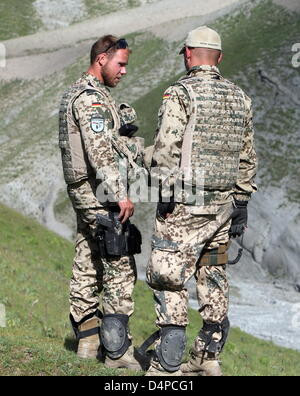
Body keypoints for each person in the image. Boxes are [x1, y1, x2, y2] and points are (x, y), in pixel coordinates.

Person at [146, 26, 257, 376]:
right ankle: (208, 358)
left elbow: (166, 150)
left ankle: (167, 364)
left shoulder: (180, 94)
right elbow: (247, 157)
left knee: (169, 275)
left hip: (185, 206)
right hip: (223, 210)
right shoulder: (240, 97)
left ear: (188, 54)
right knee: (213, 276)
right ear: (219, 58)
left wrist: (163, 190)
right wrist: (240, 202)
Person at [58, 35, 144, 370]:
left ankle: (87, 342)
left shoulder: (76, 91)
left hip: (84, 191)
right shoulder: (91, 98)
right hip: (98, 192)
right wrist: (119, 192)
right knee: (120, 262)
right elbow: (98, 150)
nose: (123, 71)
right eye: (120, 63)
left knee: (88, 257)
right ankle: (118, 351)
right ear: (102, 59)